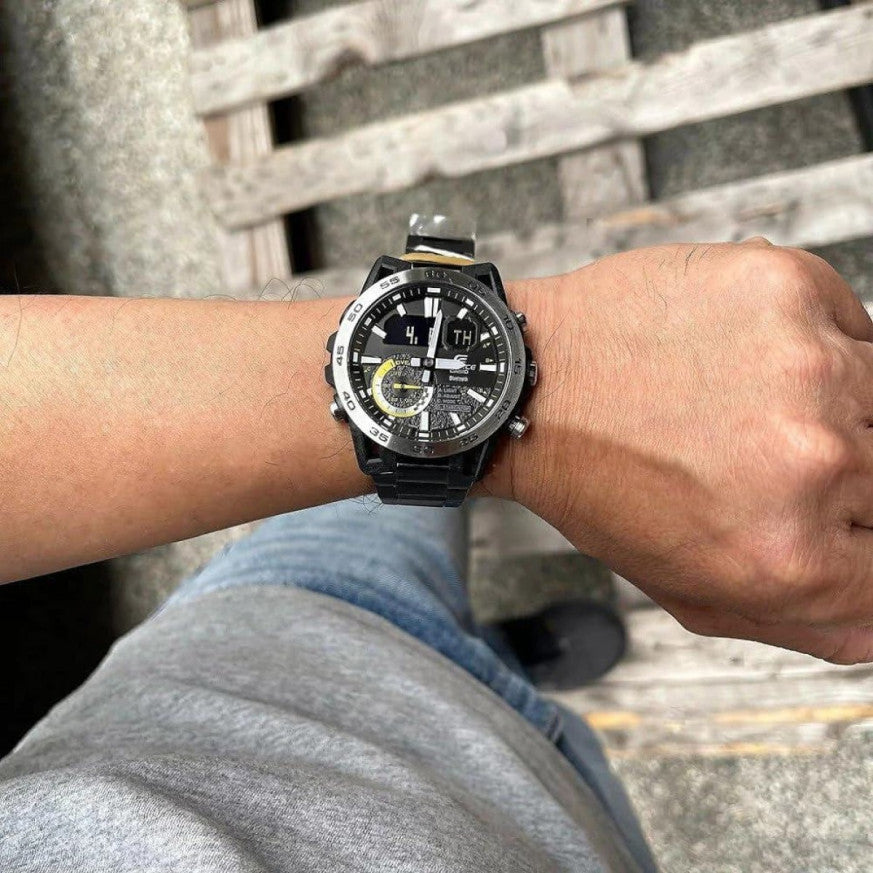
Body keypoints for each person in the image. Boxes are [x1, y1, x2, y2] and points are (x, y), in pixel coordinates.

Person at [1, 239, 871, 872]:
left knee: (384, 502)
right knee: (419, 525)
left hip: (272, 625)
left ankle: (491, 653)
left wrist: (568, 354)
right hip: (548, 803)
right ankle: (502, 661)